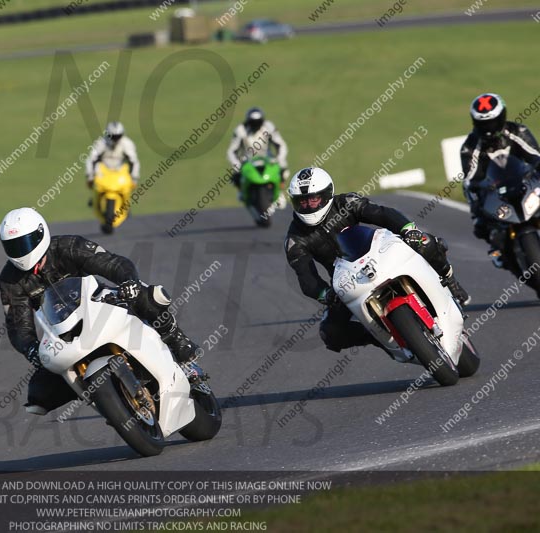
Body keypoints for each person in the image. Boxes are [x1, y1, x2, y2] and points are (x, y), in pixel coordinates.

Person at [0, 207, 200, 415]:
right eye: (13, 246)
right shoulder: (9, 280)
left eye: (25, 243)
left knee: (146, 295)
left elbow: (112, 263)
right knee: (38, 394)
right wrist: (30, 348)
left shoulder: (68, 246)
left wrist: (128, 282)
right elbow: (17, 323)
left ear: (41, 233)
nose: (21, 251)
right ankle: (108, 401)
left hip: (98, 301)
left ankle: (177, 340)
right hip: (61, 330)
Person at [283, 167, 470, 353]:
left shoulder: (346, 203)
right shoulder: (295, 239)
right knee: (330, 333)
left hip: (377, 254)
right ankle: (379, 337)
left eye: (313, 199)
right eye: (303, 202)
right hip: (346, 282)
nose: (308, 206)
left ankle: (450, 280)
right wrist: (325, 294)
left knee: (425, 242)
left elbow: (382, 213)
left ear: (327, 194)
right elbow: (306, 278)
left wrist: (407, 229)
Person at [461, 93, 540, 267]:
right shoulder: (470, 147)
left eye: (492, 122)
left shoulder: (517, 131)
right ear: (476, 123)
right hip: (495, 192)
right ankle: (498, 250)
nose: (489, 128)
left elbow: (535, 155)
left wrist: (535, 166)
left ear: (502, 117)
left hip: (524, 183)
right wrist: (482, 186)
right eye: (484, 124)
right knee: (480, 221)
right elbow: (471, 178)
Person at [226, 107, 289, 208]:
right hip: (248, 159)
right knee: (235, 176)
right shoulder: (240, 130)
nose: (255, 125)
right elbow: (232, 151)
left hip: (267, 158)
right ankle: (242, 191)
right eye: (253, 122)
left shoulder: (269, 127)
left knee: (283, 171)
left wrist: (280, 158)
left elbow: (280, 144)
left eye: (258, 122)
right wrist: (236, 165)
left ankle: (279, 191)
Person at [85, 122, 140, 187]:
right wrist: (90, 176)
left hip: (120, 174)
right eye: (113, 136)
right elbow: (91, 159)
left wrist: (134, 178)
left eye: (118, 136)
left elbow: (134, 161)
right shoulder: (102, 142)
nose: (115, 139)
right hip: (103, 174)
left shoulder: (127, 144)